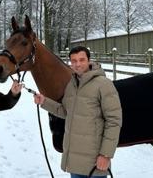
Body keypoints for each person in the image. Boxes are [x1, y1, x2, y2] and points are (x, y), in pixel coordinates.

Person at [34, 46, 122, 178]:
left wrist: (105, 154)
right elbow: (65, 111)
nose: (78, 64)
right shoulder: (72, 84)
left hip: (95, 163)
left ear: (89, 60)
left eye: (82, 60)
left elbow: (114, 121)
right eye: (74, 61)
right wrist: (44, 102)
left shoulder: (103, 85)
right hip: (74, 162)